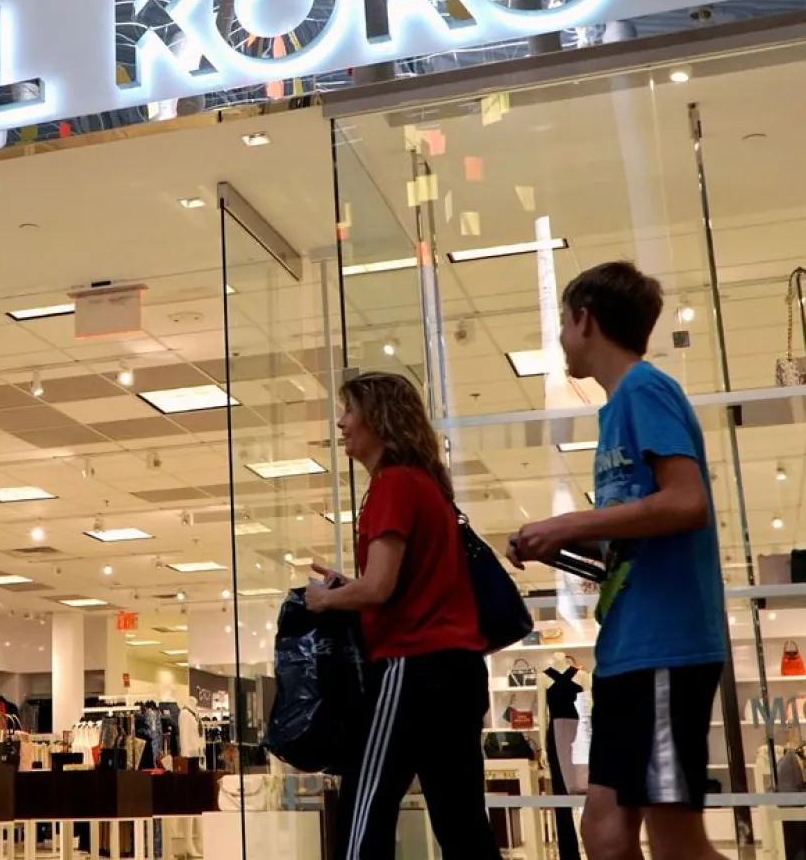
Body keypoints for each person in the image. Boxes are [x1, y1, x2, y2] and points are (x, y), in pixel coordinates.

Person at [508, 261, 727, 860]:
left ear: (584, 320)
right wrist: (559, 541)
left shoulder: (644, 390)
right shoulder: (616, 412)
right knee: (603, 835)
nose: (559, 338)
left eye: (562, 322)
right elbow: (637, 534)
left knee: (677, 842)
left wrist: (567, 522)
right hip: (628, 651)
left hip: (665, 646)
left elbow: (686, 502)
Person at [305, 371, 500, 860]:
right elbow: (402, 585)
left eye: (350, 411)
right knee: (461, 822)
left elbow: (380, 587)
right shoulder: (425, 485)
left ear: (378, 420)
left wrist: (325, 599)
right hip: (457, 669)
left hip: (413, 667)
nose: (342, 423)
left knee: (364, 810)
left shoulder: (392, 484)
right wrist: (353, 588)